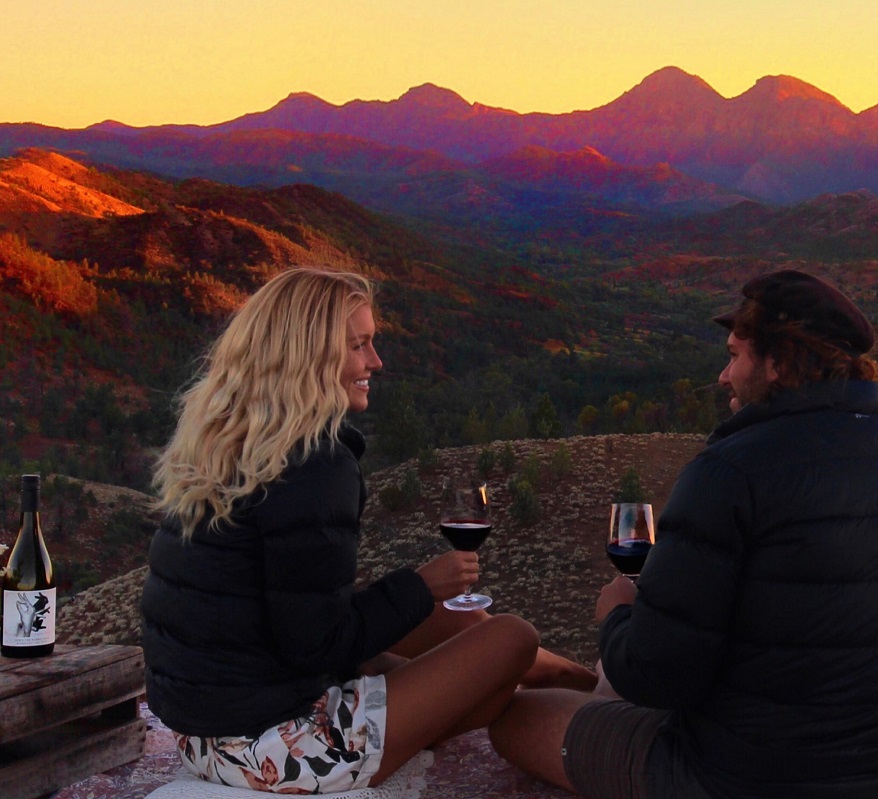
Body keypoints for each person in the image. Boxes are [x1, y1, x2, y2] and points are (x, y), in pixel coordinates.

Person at [489, 270, 878, 799]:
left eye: (735, 355)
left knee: (518, 719)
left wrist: (616, 613)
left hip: (736, 779)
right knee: (607, 681)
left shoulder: (732, 470)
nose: (723, 376)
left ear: (778, 362)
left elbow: (660, 677)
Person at [141, 268, 589, 794]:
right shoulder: (314, 465)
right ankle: (578, 691)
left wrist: (418, 607)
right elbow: (317, 645)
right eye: (359, 346)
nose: (375, 362)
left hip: (203, 735)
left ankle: (576, 679)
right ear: (308, 356)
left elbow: (287, 616)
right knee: (511, 638)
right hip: (275, 749)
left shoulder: (232, 442)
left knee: (452, 620)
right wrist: (421, 586)